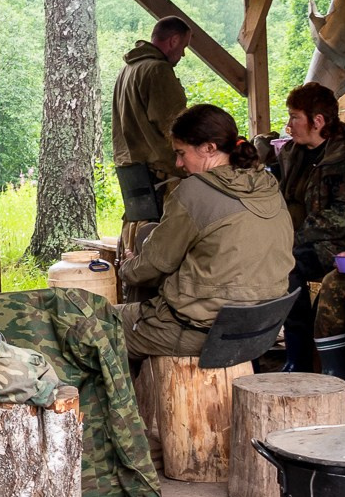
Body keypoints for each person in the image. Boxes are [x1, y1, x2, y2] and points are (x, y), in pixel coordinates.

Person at [116, 105, 292, 358]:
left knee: (88, 329)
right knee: (153, 236)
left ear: (209, 148)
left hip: (201, 333)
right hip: (260, 328)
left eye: (181, 153)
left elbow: (155, 263)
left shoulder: (195, 192)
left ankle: (129, 394)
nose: (178, 163)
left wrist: (126, 269)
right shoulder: (267, 184)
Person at [276, 82, 345, 409]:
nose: (289, 125)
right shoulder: (296, 153)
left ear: (319, 121)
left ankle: (297, 356)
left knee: (291, 265)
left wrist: (292, 237)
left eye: (295, 117)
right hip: (306, 237)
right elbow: (286, 198)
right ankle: (306, 359)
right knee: (277, 260)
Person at [112, 17, 193, 217]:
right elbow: (174, 126)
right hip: (162, 175)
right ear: (173, 40)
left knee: (139, 234)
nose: (182, 54)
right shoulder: (158, 70)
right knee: (169, 237)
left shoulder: (128, 70)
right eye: (183, 46)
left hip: (133, 171)